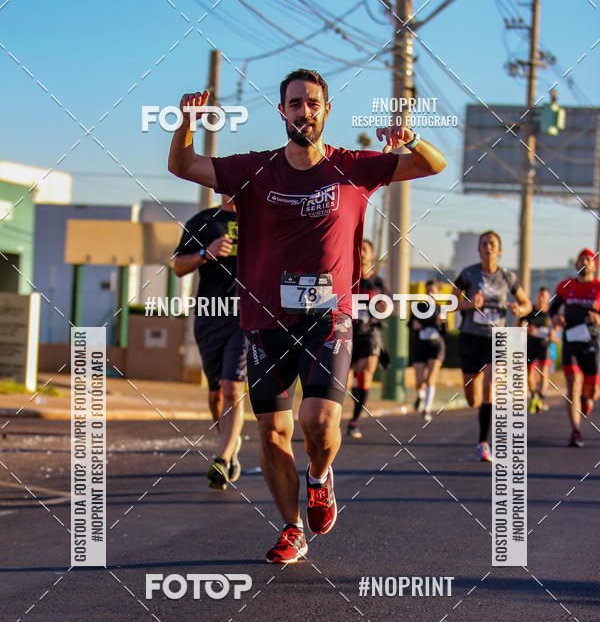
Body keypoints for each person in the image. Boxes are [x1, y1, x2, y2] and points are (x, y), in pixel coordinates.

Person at [168, 68, 446, 561]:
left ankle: (320, 478)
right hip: (264, 320)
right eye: (295, 103)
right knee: (272, 432)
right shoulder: (255, 168)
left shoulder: (353, 167)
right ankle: (291, 527)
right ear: (283, 111)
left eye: (313, 103)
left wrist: (411, 138)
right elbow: (183, 165)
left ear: (326, 110)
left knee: (317, 421)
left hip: (328, 317)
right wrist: (186, 121)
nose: (304, 111)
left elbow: (433, 165)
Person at [173, 194, 246, 489]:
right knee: (216, 394)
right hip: (209, 316)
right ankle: (229, 440)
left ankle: (223, 458)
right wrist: (206, 252)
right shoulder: (203, 221)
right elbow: (178, 266)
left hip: (245, 317)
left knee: (233, 387)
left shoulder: (260, 220)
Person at [452, 231, 531, 461]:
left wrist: (519, 309)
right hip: (470, 337)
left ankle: (482, 443)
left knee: (490, 386)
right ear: (479, 249)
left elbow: (526, 303)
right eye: (484, 244)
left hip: (495, 338)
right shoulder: (468, 274)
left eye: (493, 244)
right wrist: (469, 304)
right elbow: (450, 302)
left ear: (500, 250)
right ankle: (481, 417)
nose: (488, 248)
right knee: (473, 399)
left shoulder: (508, 277)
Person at [553, 249, 600, 447]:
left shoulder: (598, 288)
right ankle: (575, 432)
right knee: (572, 387)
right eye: (581, 259)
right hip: (571, 341)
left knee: (592, 392)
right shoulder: (565, 286)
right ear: (576, 265)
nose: (584, 262)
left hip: (592, 343)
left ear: (594, 265)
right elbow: (552, 311)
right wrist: (556, 317)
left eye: (588, 259)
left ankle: (586, 399)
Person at [346, 238, 389, 438]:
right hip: (346, 332)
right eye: (358, 249)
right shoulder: (346, 276)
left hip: (370, 334)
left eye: (365, 249)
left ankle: (354, 420)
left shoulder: (378, 282)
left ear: (371, 255)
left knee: (365, 372)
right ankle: (332, 419)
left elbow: (389, 304)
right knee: (341, 382)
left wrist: (385, 307)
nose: (362, 253)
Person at [409, 279, 446, 423]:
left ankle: (427, 409)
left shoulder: (440, 309)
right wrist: (415, 325)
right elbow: (409, 324)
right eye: (428, 290)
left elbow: (446, 332)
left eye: (433, 291)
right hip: (420, 346)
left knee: (430, 379)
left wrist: (442, 324)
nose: (430, 293)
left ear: (437, 293)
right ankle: (420, 395)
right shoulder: (419, 307)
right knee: (419, 381)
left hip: (436, 346)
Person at [523, 287, 554, 413]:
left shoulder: (551, 313)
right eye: (540, 295)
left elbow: (556, 330)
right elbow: (519, 323)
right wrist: (525, 330)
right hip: (531, 346)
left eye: (544, 296)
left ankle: (541, 398)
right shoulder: (530, 311)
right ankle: (534, 395)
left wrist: (554, 334)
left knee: (544, 372)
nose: (541, 298)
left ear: (548, 298)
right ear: (537, 297)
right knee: (530, 374)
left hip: (544, 346)